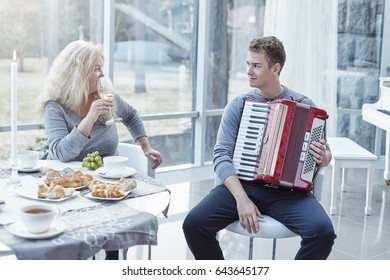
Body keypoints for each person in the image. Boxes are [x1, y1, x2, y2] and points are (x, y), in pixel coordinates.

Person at [182, 36, 336, 260]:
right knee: (194, 224)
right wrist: (241, 198)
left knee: (323, 233)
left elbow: (327, 154)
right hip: (244, 187)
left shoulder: (305, 105)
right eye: (248, 64)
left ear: (275, 68)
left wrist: (323, 157)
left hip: (289, 193)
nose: (249, 71)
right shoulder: (239, 105)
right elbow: (221, 156)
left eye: (256, 65)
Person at [38, 40, 163, 259]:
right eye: (96, 68)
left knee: (113, 229)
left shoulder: (105, 97)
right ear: (78, 72)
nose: (102, 74)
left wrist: (146, 147)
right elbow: (61, 152)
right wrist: (90, 117)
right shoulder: (55, 107)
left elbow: (131, 115)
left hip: (108, 186)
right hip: (70, 190)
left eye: (101, 67)